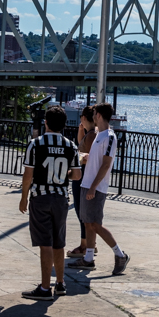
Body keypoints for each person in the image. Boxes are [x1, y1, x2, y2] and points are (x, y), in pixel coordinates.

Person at [19, 104, 82, 301]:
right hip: (61, 198)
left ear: (45, 122)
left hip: (41, 197)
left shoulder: (35, 144)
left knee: (45, 243)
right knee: (59, 242)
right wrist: (62, 174)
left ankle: (45, 288)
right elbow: (77, 175)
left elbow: (28, 176)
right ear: (64, 125)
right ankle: (60, 283)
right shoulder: (71, 146)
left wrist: (23, 197)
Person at [68, 102, 129, 274]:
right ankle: (88, 258)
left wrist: (94, 187)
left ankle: (120, 254)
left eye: (94, 113)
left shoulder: (109, 137)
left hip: (96, 187)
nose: (92, 116)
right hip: (86, 184)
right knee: (87, 223)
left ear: (99, 116)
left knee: (95, 224)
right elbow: (96, 161)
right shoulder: (98, 135)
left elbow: (106, 165)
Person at [66, 104, 96, 259]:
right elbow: (81, 145)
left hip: (83, 175)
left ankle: (85, 245)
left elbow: (88, 156)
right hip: (84, 175)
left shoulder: (92, 135)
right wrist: (80, 131)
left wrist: (78, 158)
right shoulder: (90, 133)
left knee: (81, 211)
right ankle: (90, 244)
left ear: (84, 118)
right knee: (83, 211)